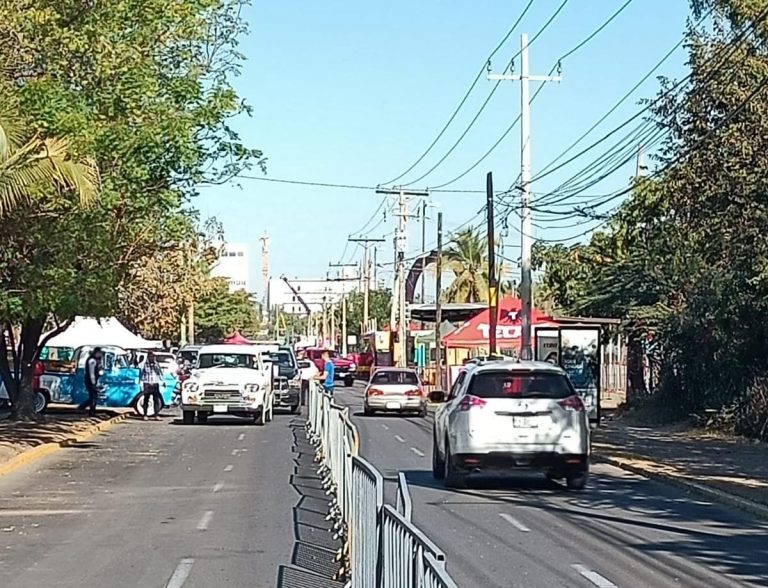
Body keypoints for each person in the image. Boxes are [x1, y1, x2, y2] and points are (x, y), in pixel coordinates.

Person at [139, 352, 165, 421]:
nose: (152, 358)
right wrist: (141, 384)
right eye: (151, 357)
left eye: (153, 357)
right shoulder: (144, 365)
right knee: (146, 400)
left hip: (155, 383)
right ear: (148, 357)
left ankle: (156, 415)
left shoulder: (156, 364)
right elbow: (141, 375)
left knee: (156, 400)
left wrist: (162, 381)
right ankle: (145, 415)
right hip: (147, 384)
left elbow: (160, 373)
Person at [83, 347, 103, 417]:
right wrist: (93, 383)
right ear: (96, 353)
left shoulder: (95, 360)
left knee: (93, 396)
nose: (101, 354)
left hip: (92, 380)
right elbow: (91, 373)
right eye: (99, 353)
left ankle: (83, 407)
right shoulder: (92, 361)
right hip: (90, 380)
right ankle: (91, 412)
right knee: (93, 396)